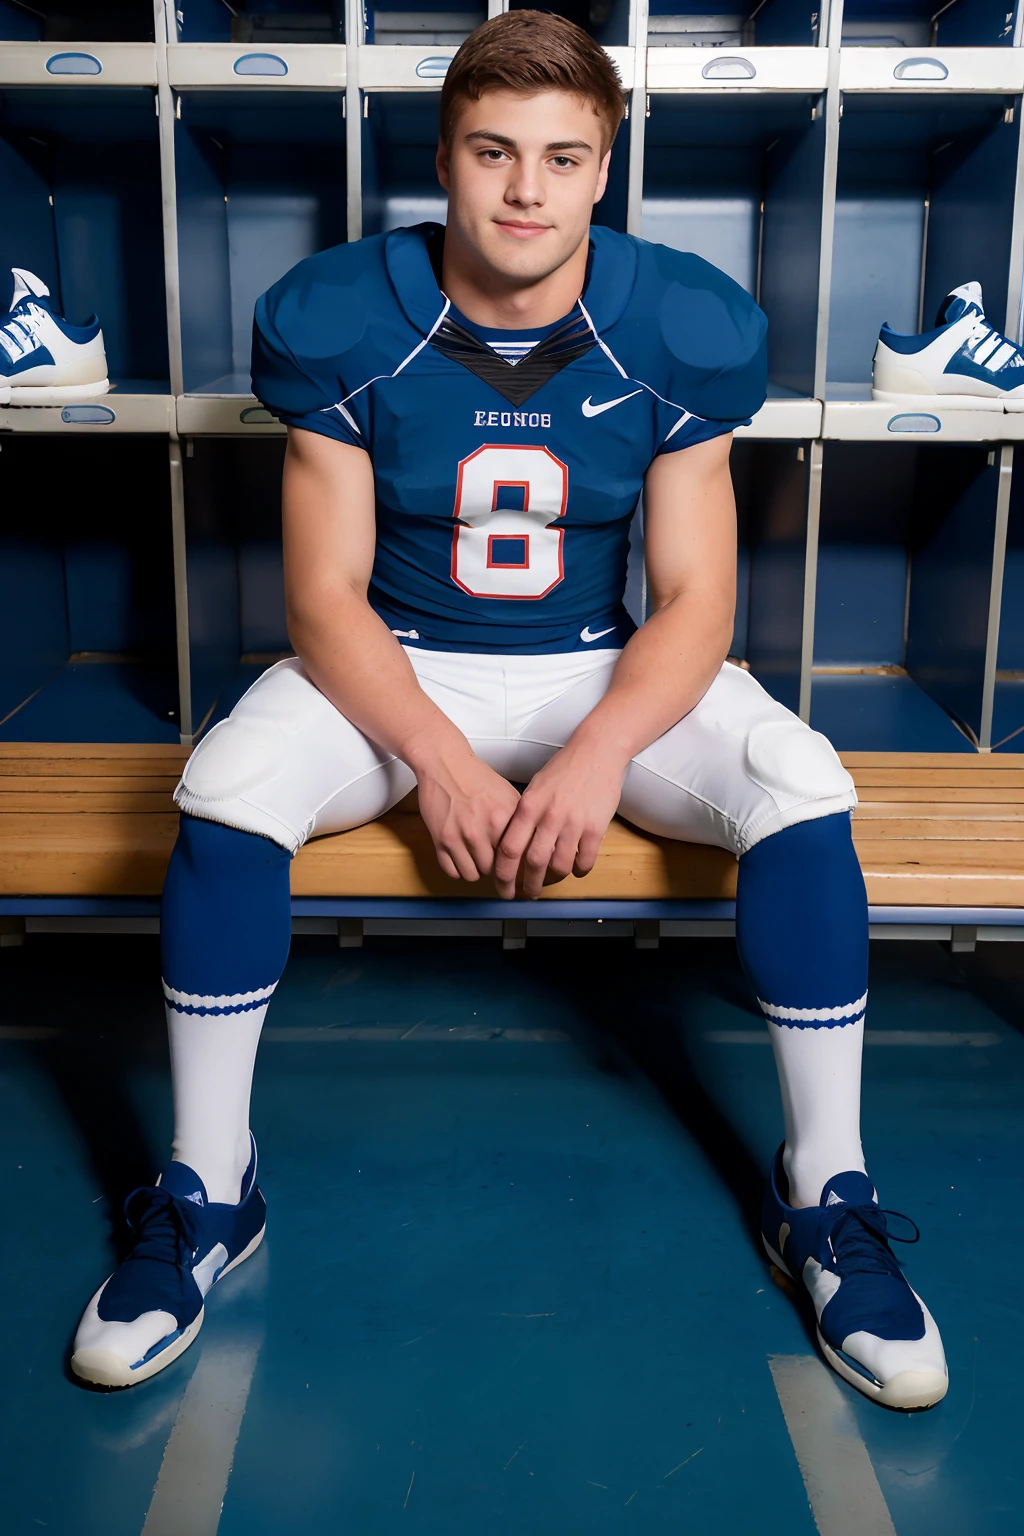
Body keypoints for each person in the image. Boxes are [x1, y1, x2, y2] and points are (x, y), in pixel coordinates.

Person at [71, 10, 947, 1410]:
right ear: (444, 159)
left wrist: (600, 750)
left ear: (605, 170)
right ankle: (209, 1180)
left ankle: (824, 1192)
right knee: (225, 792)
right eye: (493, 152)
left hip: (601, 664)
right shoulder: (348, 312)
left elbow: (695, 604)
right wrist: (434, 758)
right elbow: (325, 600)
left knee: (801, 787)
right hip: (393, 666)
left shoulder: (680, 320)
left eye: (561, 156)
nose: (525, 190)